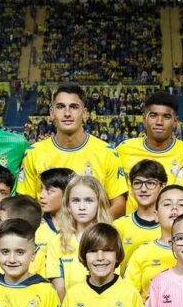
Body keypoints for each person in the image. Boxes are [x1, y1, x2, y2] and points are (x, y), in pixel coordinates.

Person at [18, 84, 127, 217]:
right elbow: (24, 203)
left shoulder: (106, 153)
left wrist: (91, 228)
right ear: (52, 113)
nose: (67, 113)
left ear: (85, 113)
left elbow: (119, 204)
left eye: (74, 107)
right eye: (60, 107)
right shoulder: (34, 153)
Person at [116, 91, 183, 210]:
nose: (159, 122)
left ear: (175, 122)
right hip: (132, 226)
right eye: (153, 115)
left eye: (166, 117)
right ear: (144, 119)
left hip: (173, 226)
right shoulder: (124, 150)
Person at [45, 175, 114, 299]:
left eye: (89, 200)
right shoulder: (57, 242)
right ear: (68, 206)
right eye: (76, 200)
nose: (82, 207)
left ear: (99, 203)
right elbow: (59, 289)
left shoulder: (112, 239)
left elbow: (114, 283)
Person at [114, 160, 166, 271]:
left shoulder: (171, 225)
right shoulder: (119, 226)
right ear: (131, 188)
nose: (143, 189)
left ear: (162, 186)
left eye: (151, 183)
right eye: (137, 183)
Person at [38, 167, 76, 236]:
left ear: (67, 193)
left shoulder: (82, 226)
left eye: (49, 191)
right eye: (41, 189)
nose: (41, 195)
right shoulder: (37, 226)